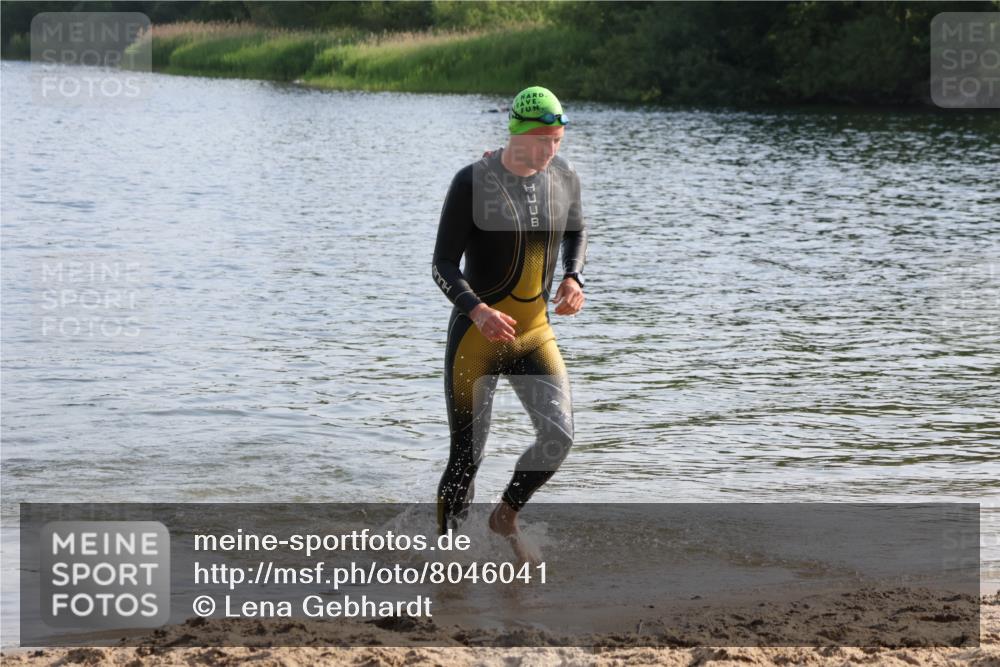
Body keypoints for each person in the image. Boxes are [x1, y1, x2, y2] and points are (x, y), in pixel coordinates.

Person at [431, 85, 587, 563]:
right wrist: (477, 310)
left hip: (534, 332)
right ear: (516, 133)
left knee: (559, 436)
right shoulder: (472, 182)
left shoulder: (562, 177)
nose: (551, 150)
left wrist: (574, 276)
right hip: (476, 339)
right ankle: (448, 559)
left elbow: (577, 229)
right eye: (543, 140)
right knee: (467, 455)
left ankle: (505, 516)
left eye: (558, 139)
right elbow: (441, 265)